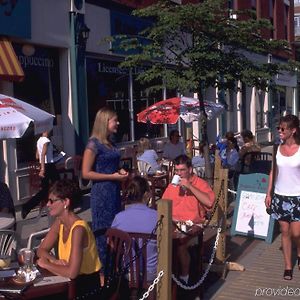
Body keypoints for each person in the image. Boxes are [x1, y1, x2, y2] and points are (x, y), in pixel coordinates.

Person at [36, 179, 101, 298]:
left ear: (66, 202)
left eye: (52, 201)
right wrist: (54, 261)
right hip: (68, 282)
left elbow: (72, 272)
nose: (48, 204)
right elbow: (41, 250)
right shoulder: (59, 222)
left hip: (86, 287)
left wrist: (46, 264)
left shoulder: (78, 230)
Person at [82, 107, 128, 266]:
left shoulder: (110, 143)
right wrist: (111, 176)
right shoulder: (93, 144)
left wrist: (119, 171)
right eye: (114, 120)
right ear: (105, 122)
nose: (118, 123)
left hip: (114, 191)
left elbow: (114, 164)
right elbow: (86, 173)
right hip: (102, 193)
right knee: (104, 232)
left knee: (117, 229)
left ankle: (116, 267)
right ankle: (104, 271)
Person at [162, 154, 215, 284]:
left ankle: (184, 277)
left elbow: (209, 203)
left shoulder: (200, 184)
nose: (179, 174)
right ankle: (162, 275)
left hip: (193, 224)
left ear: (190, 169)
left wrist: (190, 187)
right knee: (158, 239)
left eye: (182, 170)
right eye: (177, 170)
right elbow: (163, 204)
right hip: (174, 222)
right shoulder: (173, 185)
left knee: (181, 242)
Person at [265, 114, 300, 281]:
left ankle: (299, 252)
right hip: (280, 196)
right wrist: (268, 192)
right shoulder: (276, 148)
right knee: (284, 231)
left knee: (296, 233)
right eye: (278, 128)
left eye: (282, 129)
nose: (279, 131)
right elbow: (273, 171)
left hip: (297, 197)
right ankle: (287, 266)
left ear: (293, 131)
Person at [111, 176, 157, 281]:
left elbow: (113, 243)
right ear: (146, 195)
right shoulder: (157, 216)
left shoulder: (119, 218)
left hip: (129, 272)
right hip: (152, 272)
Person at [22, 130, 60, 219]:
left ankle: (28, 206)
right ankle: (60, 205)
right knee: (58, 185)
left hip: (44, 165)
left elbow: (37, 156)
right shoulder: (46, 141)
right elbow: (42, 155)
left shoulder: (39, 140)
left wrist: (42, 166)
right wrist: (43, 169)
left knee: (45, 189)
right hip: (49, 165)